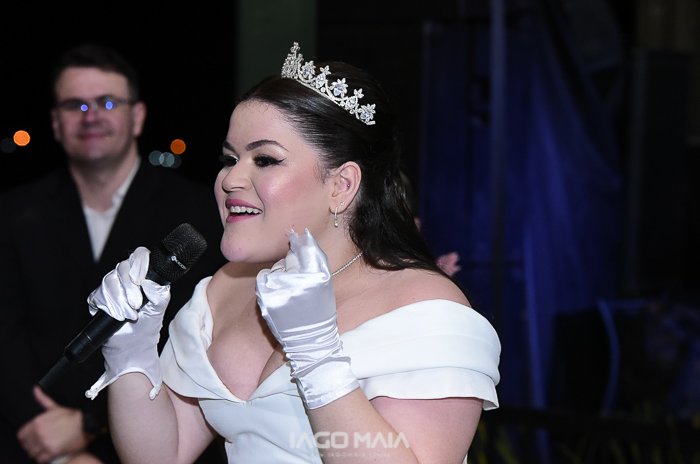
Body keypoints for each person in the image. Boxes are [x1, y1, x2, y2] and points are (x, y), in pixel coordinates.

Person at [85, 42, 501, 463]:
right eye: (229, 158)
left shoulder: (426, 309)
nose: (230, 179)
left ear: (341, 185)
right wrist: (131, 351)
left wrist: (317, 356)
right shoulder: (223, 289)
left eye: (265, 159)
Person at [0, 44, 227, 464]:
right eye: (74, 105)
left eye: (107, 102)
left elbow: (203, 339)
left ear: (137, 116)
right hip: (32, 440)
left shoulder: (199, 216)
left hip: (164, 437)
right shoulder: (12, 213)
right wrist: (49, 442)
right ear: (55, 122)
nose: (90, 116)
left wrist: (91, 425)